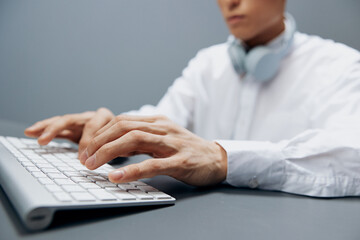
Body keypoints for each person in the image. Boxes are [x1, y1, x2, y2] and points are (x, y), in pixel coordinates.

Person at [25, 0, 360, 197]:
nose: (229, 2)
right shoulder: (209, 63)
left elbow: (354, 155)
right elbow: (167, 120)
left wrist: (222, 158)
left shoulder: (342, 65)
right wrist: (115, 132)